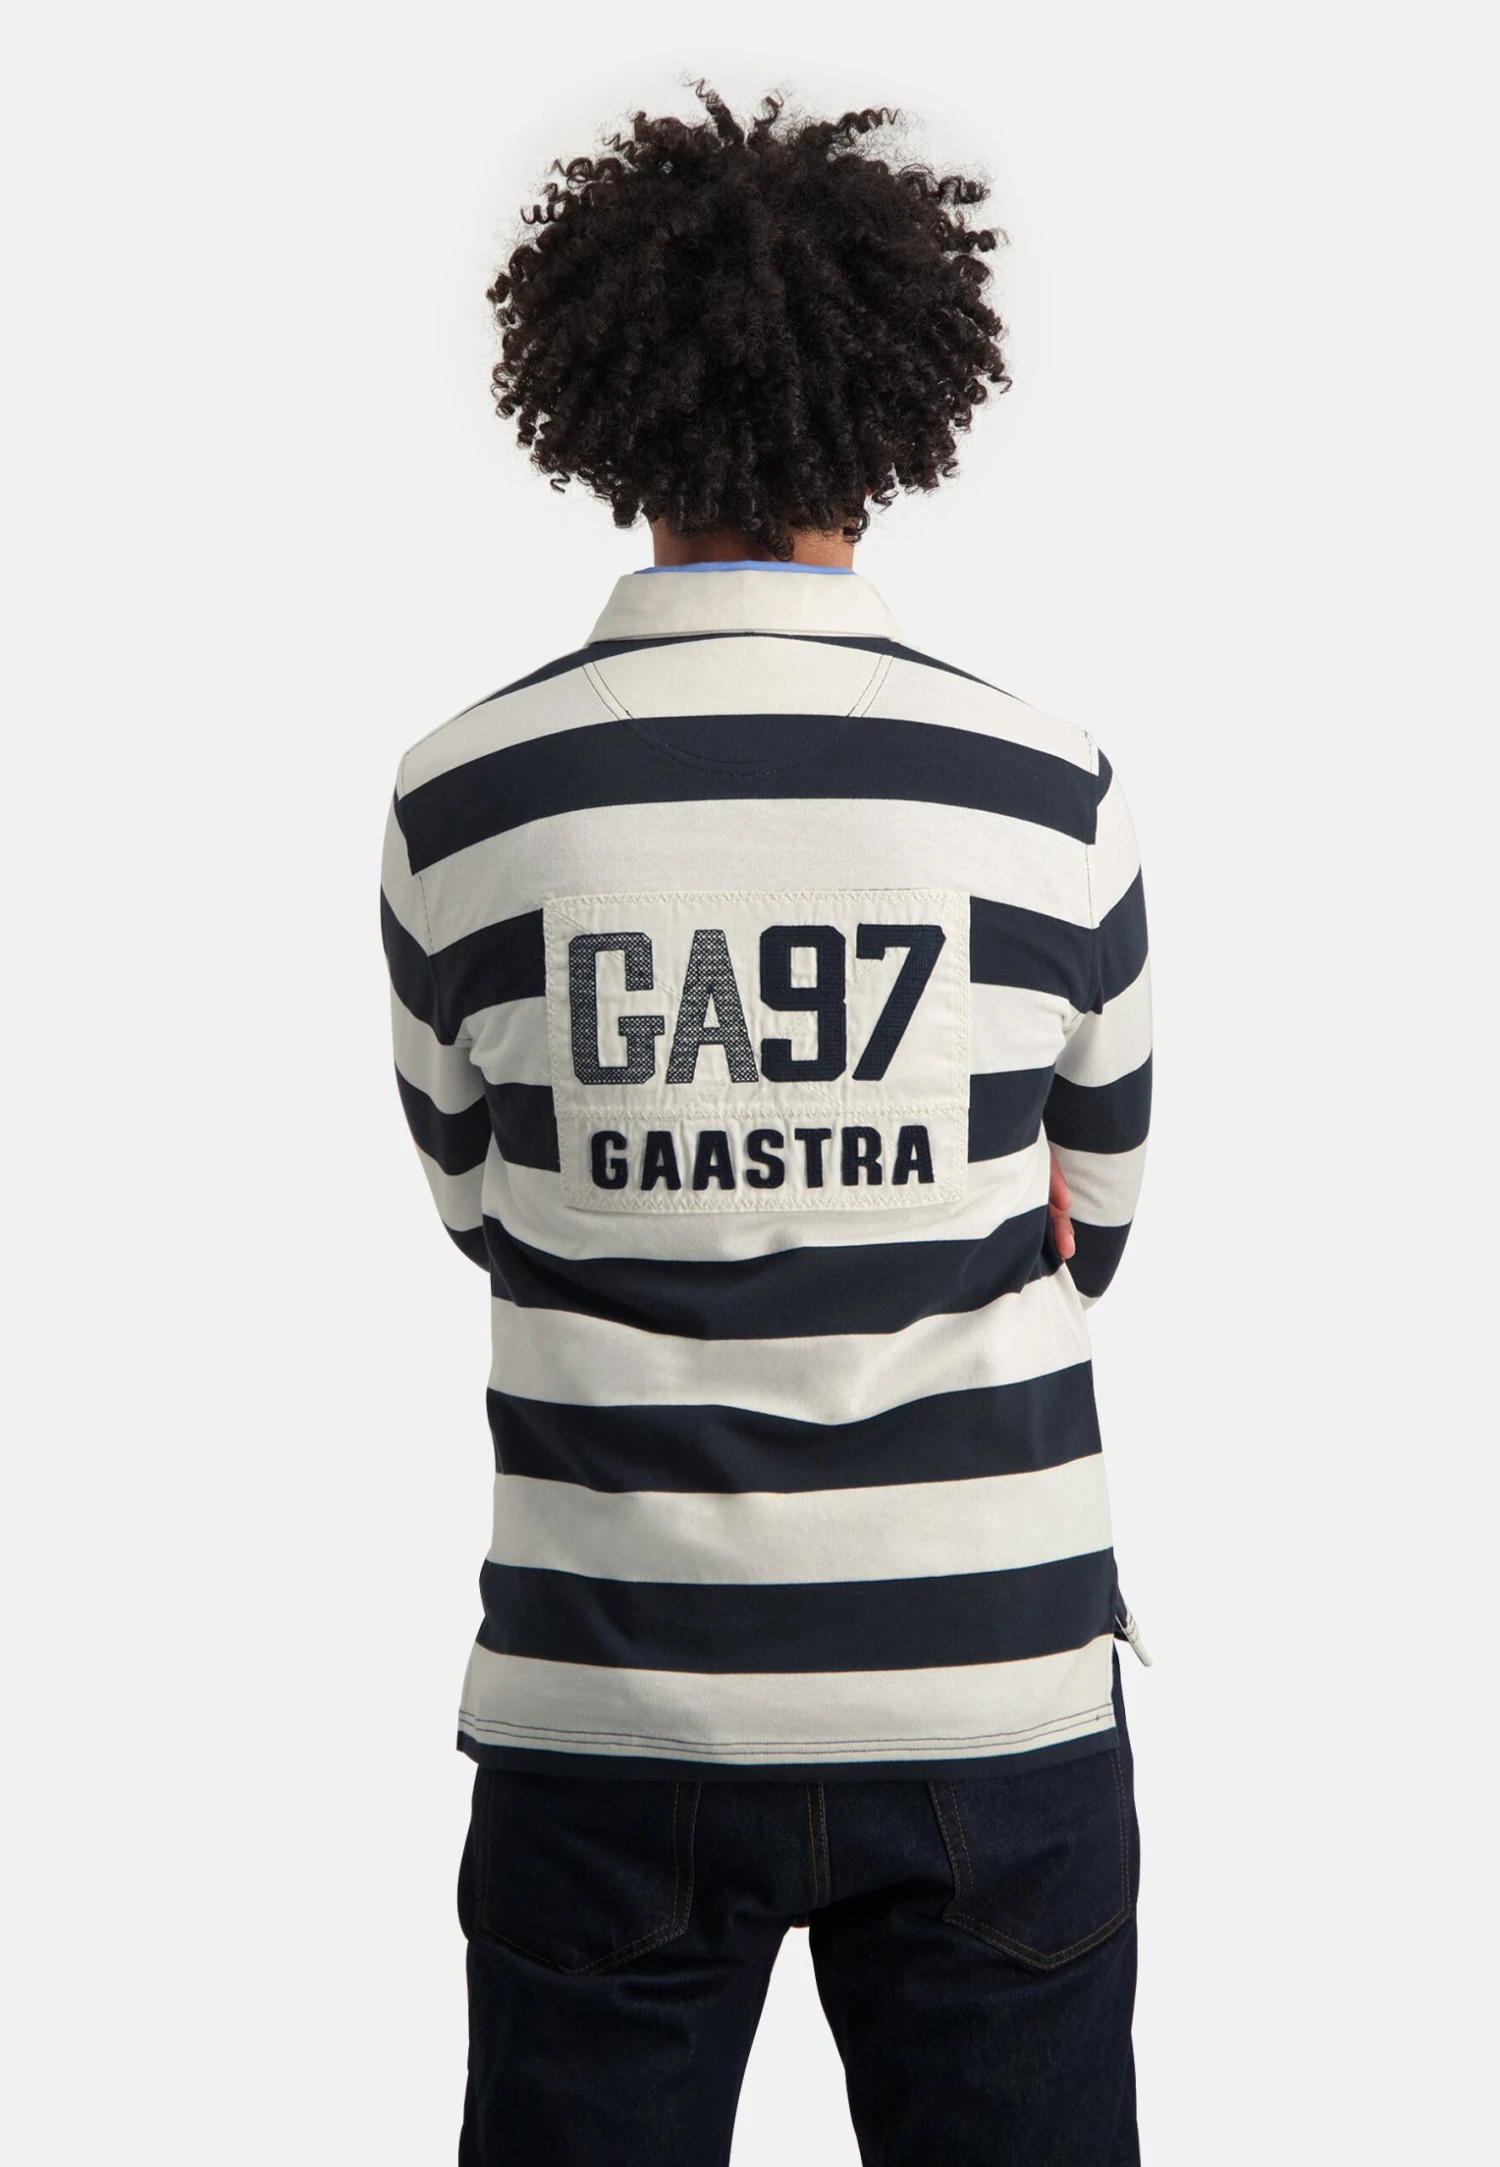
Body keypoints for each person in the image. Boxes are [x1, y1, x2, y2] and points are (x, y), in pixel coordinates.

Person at [380, 85, 1152, 2167]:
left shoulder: (464, 799)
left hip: (610, 1694)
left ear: (605, 415)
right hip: (985, 1691)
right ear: (888, 416)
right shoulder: (1043, 786)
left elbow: (481, 1200)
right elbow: (1092, 1213)